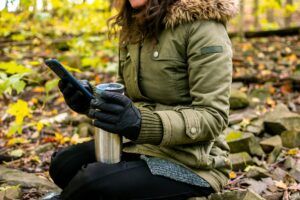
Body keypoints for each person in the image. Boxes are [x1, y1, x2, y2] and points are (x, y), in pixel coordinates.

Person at [49, 0, 238, 199]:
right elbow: (128, 96)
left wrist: (141, 123)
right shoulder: (134, 22)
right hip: (139, 143)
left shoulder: (204, 26)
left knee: (89, 184)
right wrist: (90, 101)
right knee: (62, 165)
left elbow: (212, 116)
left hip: (194, 161)